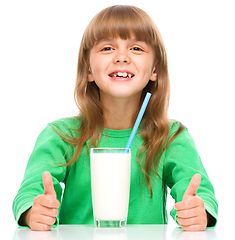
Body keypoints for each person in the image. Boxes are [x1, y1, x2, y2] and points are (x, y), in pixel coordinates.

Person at [12, 5, 218, 231]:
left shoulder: (170, 137)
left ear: (154, 70)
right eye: (108, 48)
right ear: (88, 70)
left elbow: (201, 195)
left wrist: (198, 211)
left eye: (137, 48)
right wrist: (34, 211)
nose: (122, 57)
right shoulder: (61, 136)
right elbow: (29, 193)